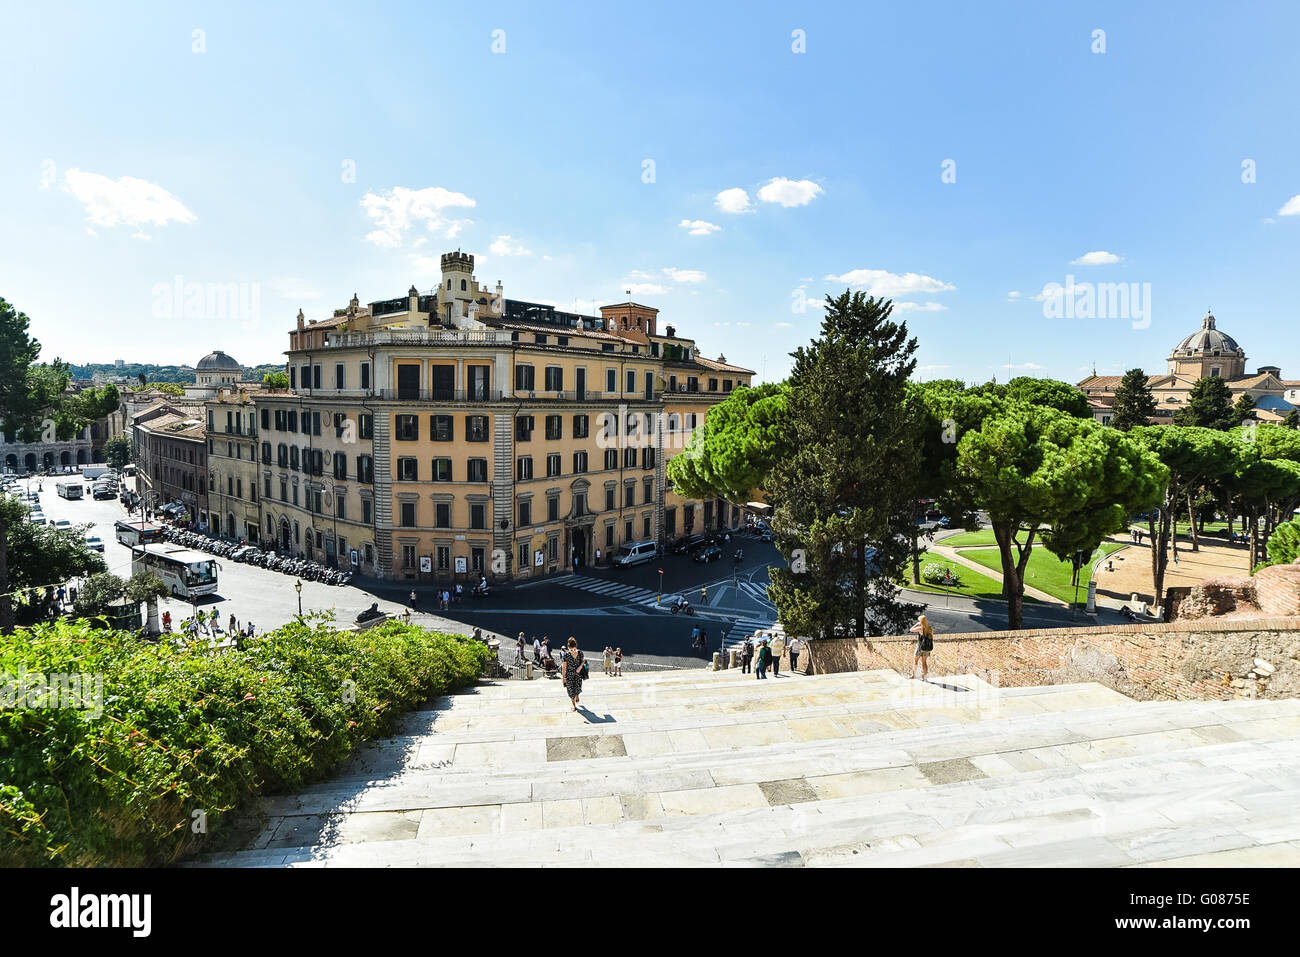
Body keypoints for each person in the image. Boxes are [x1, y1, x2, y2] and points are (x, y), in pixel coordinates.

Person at [560, 637, 585, 711]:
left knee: (577, 688)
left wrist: (580, 667)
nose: (573, 651)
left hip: (578, 675)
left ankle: (577, 695)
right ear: (568, 648)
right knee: (570, 691)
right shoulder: (566, 655)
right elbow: (564, 667)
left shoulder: (580, 653)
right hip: (569, 675)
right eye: (571, 650)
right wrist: (563, 678)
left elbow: (583, 661)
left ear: (576, 647)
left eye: (574, 649)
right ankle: (573, 705)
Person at [908, 613, 935, 680]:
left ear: (921, 622)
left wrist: (917, 624)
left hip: (920, 647)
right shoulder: (930, 629)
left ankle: (913, 675)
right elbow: (931, 637)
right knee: (924, 662)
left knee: (915, 661)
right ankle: (924, 677)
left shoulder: (920, 628)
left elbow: (911, 629)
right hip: (928, 647)